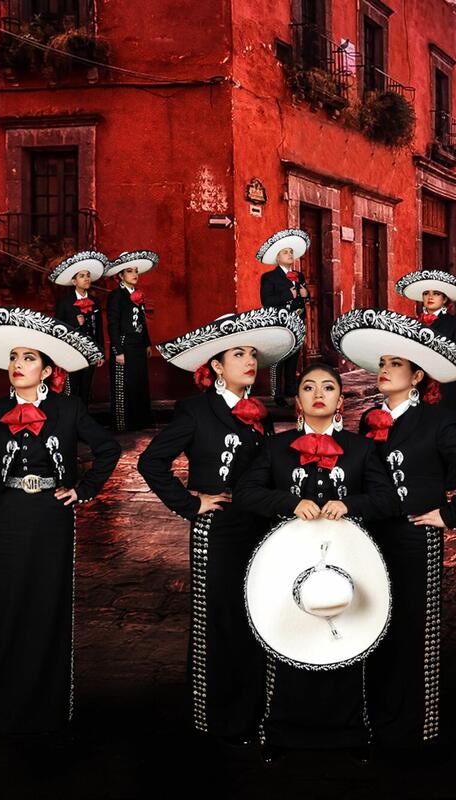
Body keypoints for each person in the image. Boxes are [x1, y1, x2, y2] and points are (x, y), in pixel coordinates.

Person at [138, 307, 304, 744]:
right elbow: (150, 461)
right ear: (216, 366)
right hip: (218, 529)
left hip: (260, 528)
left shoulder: (261, 413)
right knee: (219, 621)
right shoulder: (195, 411)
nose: (249, 361)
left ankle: (256, 711)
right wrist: (190, 505)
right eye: (238, 354)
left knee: (257, 617)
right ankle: (217, 719)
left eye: (253, 353)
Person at [331, 308, 456, 749]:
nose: (384, 371)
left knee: (415, 630)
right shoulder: (367, 421)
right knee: (372, 622)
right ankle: (375, 717)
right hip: (372, 537)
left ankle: (418, 727)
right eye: (382, 363)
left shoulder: (436, 421)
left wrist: (450, 513)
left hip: (415, 537)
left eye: (395, 364)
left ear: (417, 377)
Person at [0, 307, 121, 737]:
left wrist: (82, 490)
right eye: (14, 357)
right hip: (9, 516)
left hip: (52, 517)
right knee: (6, 610)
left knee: (49, 608)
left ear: (48, 370)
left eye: (29, 358)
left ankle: (48, 709)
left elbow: (108, 449)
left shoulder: (69, 409)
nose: (18, 365)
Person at [234, 362, 395, 763]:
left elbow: (388, 499)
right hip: (286, 562)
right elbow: (245, 493)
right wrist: (290, 502)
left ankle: (348, 732)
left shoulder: (360, 448)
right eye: (309, 387)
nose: (318, 393)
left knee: (343, 634)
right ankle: (284, 731)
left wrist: (350, 503)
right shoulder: (274, 447)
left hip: (346, 563)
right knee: (288, 636)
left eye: (328, 387)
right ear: (299, 401)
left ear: (341, 400)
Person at [393, 270, 456, 417]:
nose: (430, 297)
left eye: (436, 293)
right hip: (417, 383)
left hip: (446, 385)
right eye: (426, 293)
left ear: (444, 299)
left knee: (446, 426)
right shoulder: (413, 324)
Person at [104, 251, 157, 431]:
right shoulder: (116, 296)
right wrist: (118, 351)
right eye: (129, 271)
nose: (135, 275)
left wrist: (147, 343)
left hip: (138, 346)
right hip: (124, 346)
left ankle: (140, 422)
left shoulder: (138, 296)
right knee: (123, 386)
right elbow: (113, 325)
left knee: (139, 383)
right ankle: (122, 425)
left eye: (136, 271)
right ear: (120, 275)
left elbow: (142, 321)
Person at [257, 229, 311, 406]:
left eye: (291, 252)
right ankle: (276, 393)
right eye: (285, 252)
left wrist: (306, 294)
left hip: (297, 321)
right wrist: (288, 294)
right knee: (279, 357)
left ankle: (290, 388)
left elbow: (304, 298)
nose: (290, 255)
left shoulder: (299, 275)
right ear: (277, 257)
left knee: (294, 356)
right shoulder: (269, 277)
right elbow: (267, 301)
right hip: (280, 324)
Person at [50, 250, 108, 403]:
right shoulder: (64, 303)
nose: (86, 279)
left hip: (90, 352)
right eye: (82, 276)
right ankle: (71, 422)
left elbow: (99, 329)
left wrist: (100, 352)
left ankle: (84, 420)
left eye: (88, 275)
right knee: (72, 388)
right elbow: (56, 329)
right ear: (74, 281)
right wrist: (76, 324)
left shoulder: (95, 302)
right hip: (72, 352)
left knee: (86, 388)